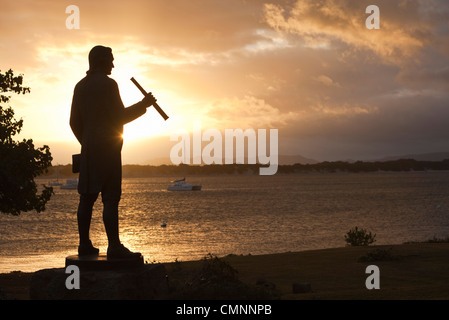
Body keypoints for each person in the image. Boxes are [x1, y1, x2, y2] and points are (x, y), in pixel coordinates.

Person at [70, 45, 156, 259]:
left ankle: (84, 244)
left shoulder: (80, 86)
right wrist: (143, 105)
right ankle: (114, 246)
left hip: (89, 149)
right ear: (100, 61)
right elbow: (120, 117)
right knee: (110, 198)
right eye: (110, 60)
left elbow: (73, 122)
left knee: (86, 198)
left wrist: (87, 143)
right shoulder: (109, 85)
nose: (113, 64)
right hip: (108, 150)